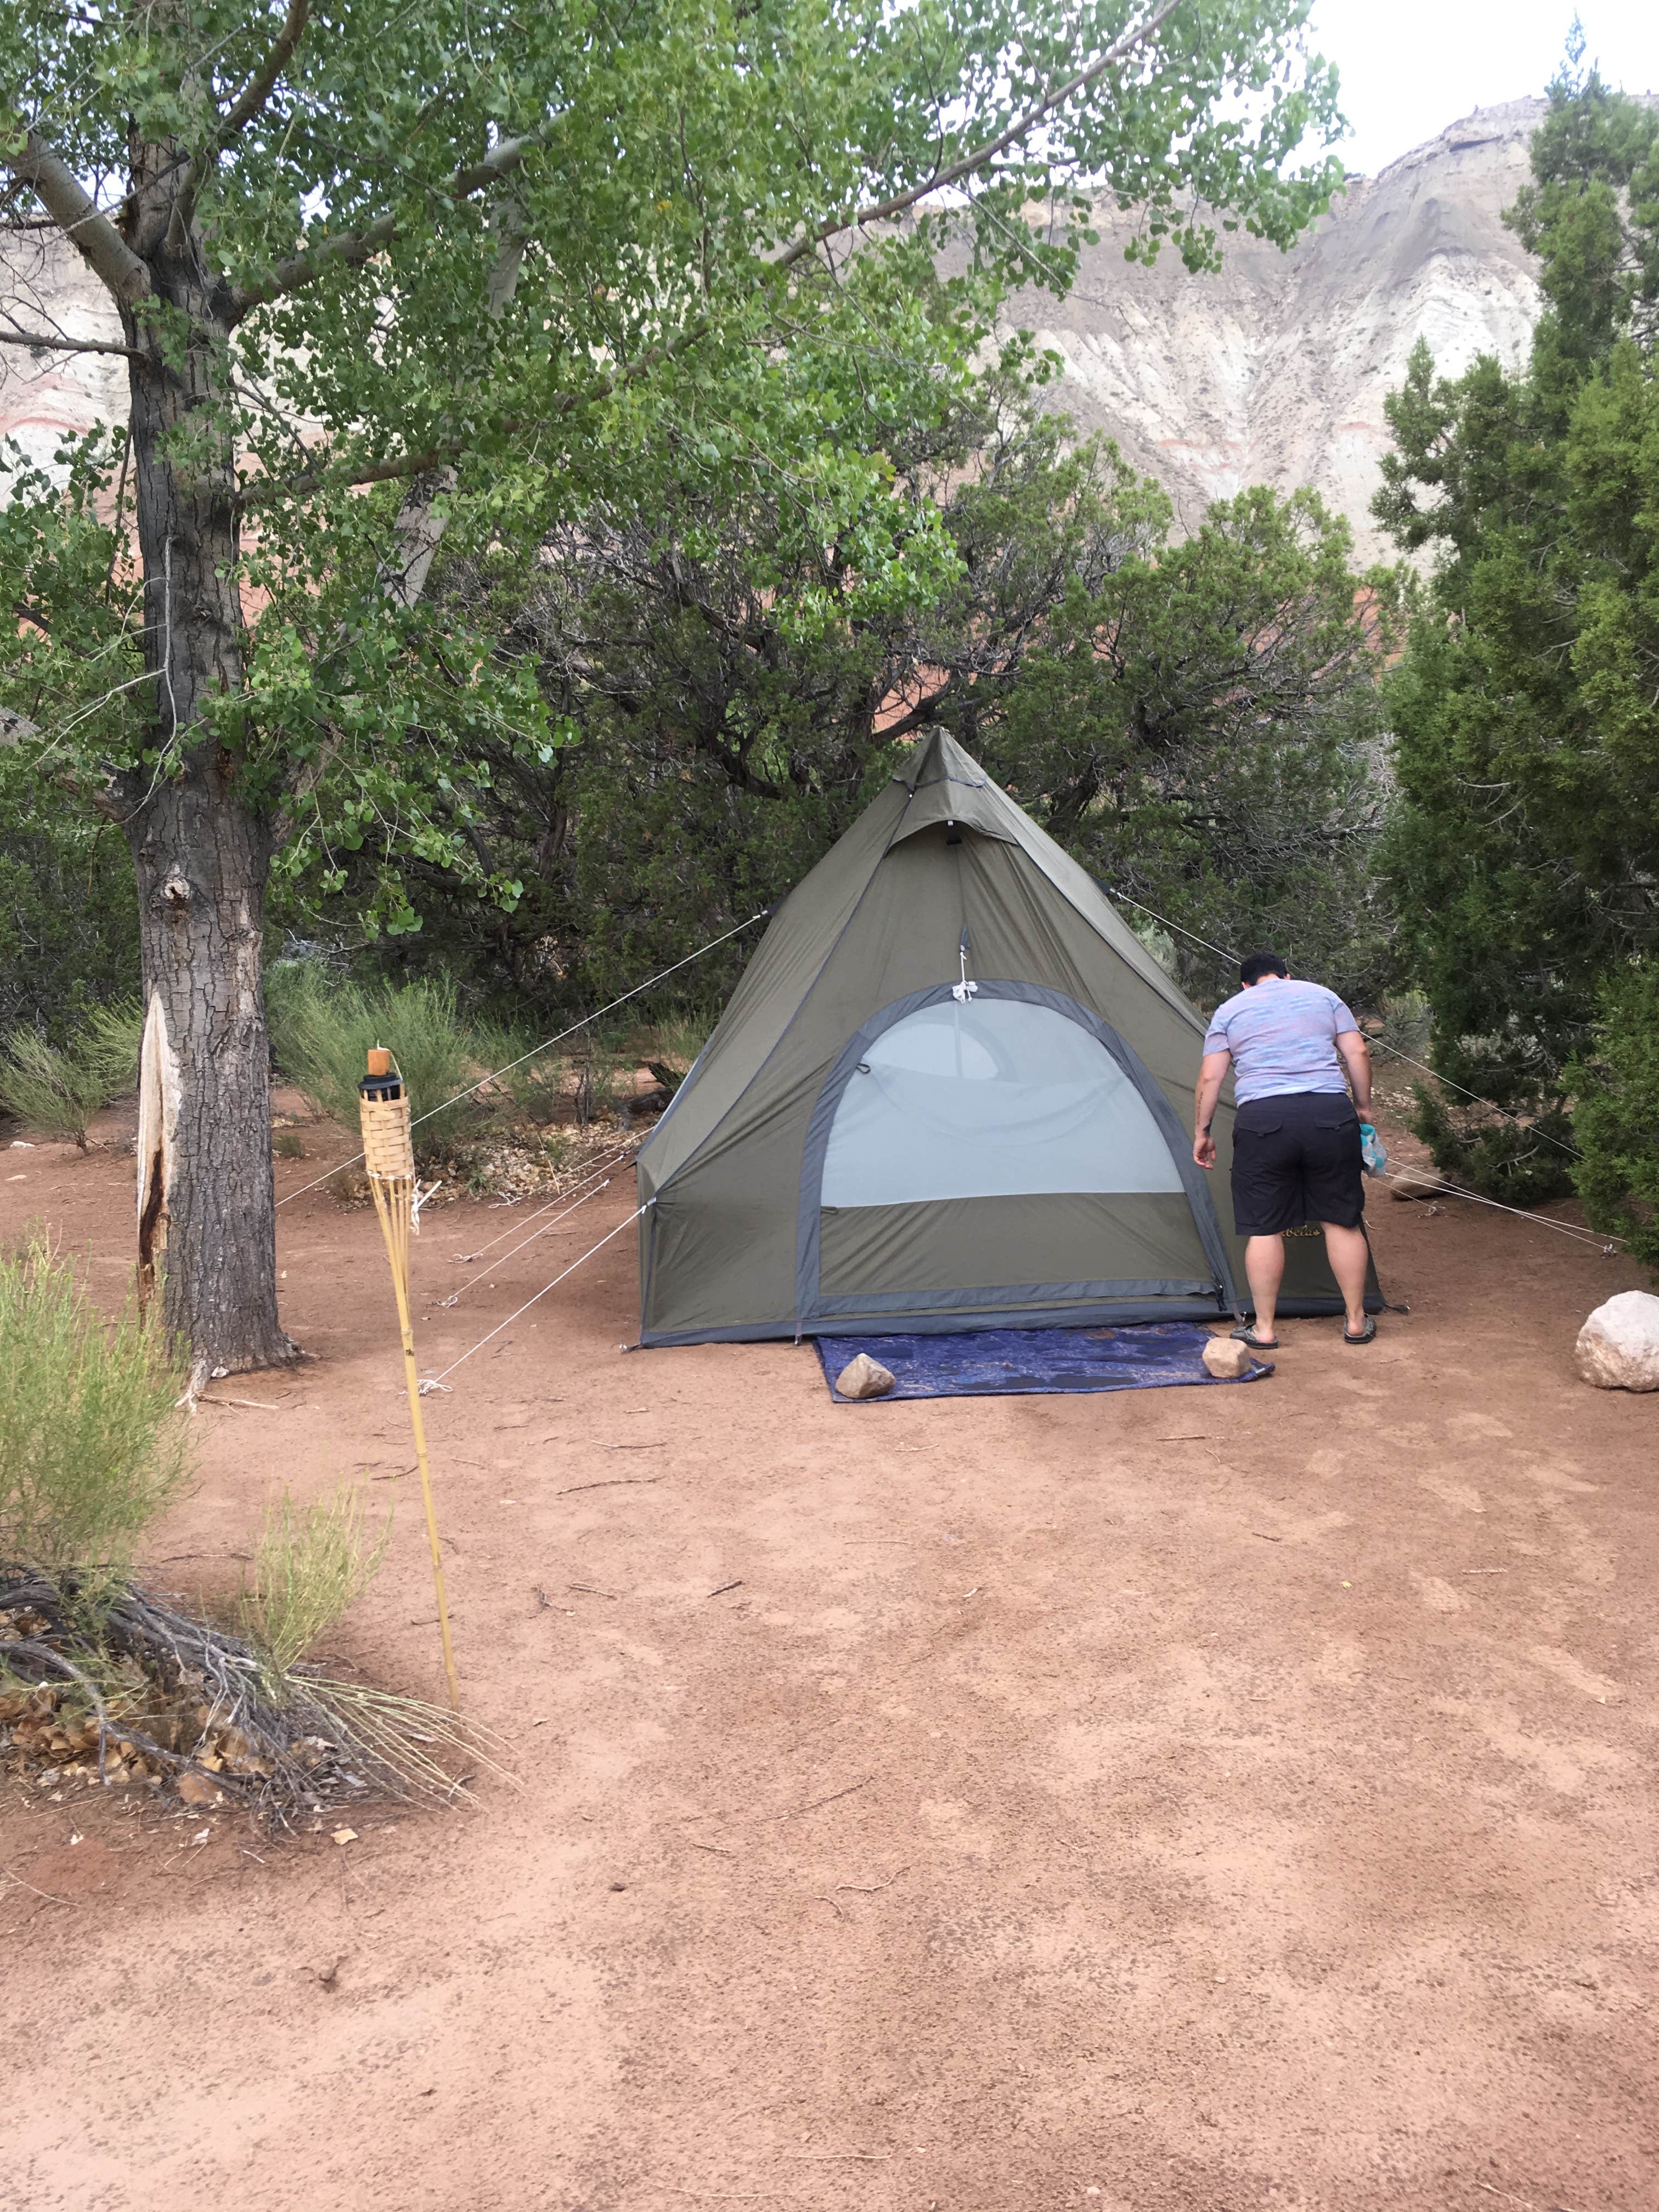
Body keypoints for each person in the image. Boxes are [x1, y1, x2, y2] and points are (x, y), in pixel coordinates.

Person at [1192, 951, 1375, 1349]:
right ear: (1288, 976)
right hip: (1328, 1113)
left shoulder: (1230, 1010)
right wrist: (1362, 1108)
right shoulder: (1324, 996)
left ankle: (1265, 1329)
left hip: (1263, 1119)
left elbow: (1211, 1075)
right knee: (1340, 1219)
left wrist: (1202, 1131)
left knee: (1264, 1225)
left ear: (1245, 984)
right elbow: (1357, 1053)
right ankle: (1357, 1322)